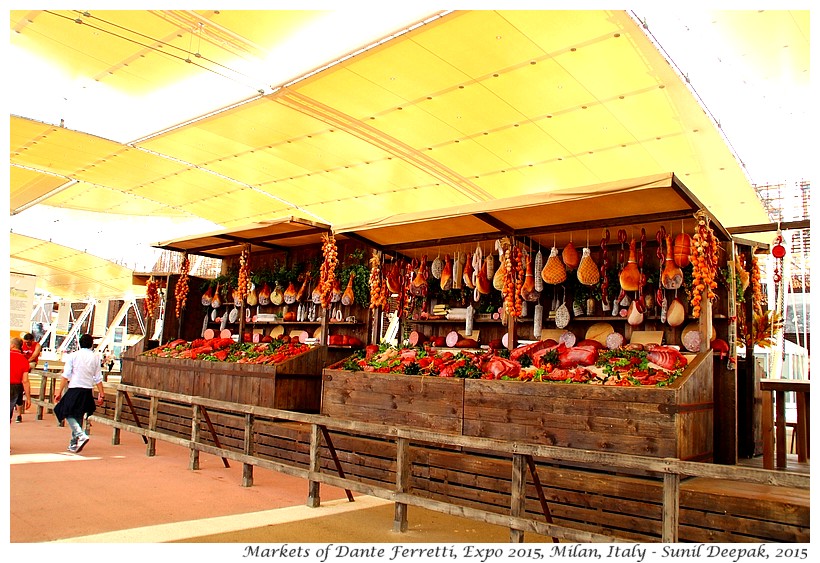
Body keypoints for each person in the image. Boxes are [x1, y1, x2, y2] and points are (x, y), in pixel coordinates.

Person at [53, 334, 105, 453]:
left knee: (64, 410)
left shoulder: (73, 356)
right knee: (79, 414)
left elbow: (65, 375)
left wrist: (59, 391)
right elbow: (98, 377)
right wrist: (101, 394)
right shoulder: (95, 357)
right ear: (92, 344)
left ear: (79, 343)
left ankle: (80, 435)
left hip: (75, 387)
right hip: (87, 389)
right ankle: (74, 442)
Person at [17, 333, 42, 422]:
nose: (27, 344)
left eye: (29, 343)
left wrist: (25, 363)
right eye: (26, 342)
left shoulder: (37, 345)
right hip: (22, 361)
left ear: (32, 341)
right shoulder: (22, 344)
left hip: (30, 362)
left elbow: (34, 356)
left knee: (28, 367)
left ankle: (24, 386)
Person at [10, 338, 32, 423]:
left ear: (13, 345)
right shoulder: (24, 360)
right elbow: (25, 381)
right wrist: (28, 397)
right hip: (15, 387)